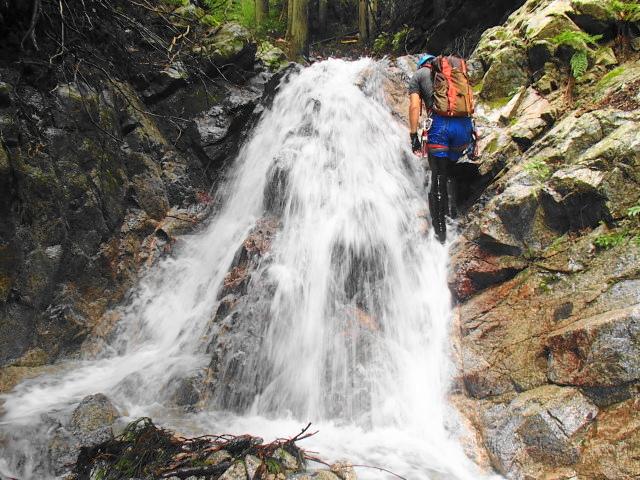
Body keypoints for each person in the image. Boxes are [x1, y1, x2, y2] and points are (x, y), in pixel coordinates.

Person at [408, 54, 475, 244]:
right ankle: (453, 216)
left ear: (421, 64)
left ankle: (440, 237)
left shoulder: (418, 76)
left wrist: (413, 135)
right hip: (464, 127)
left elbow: (414, 107)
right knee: (450, 170)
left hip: (441, 127)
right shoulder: (455, 73)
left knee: (438, 176)